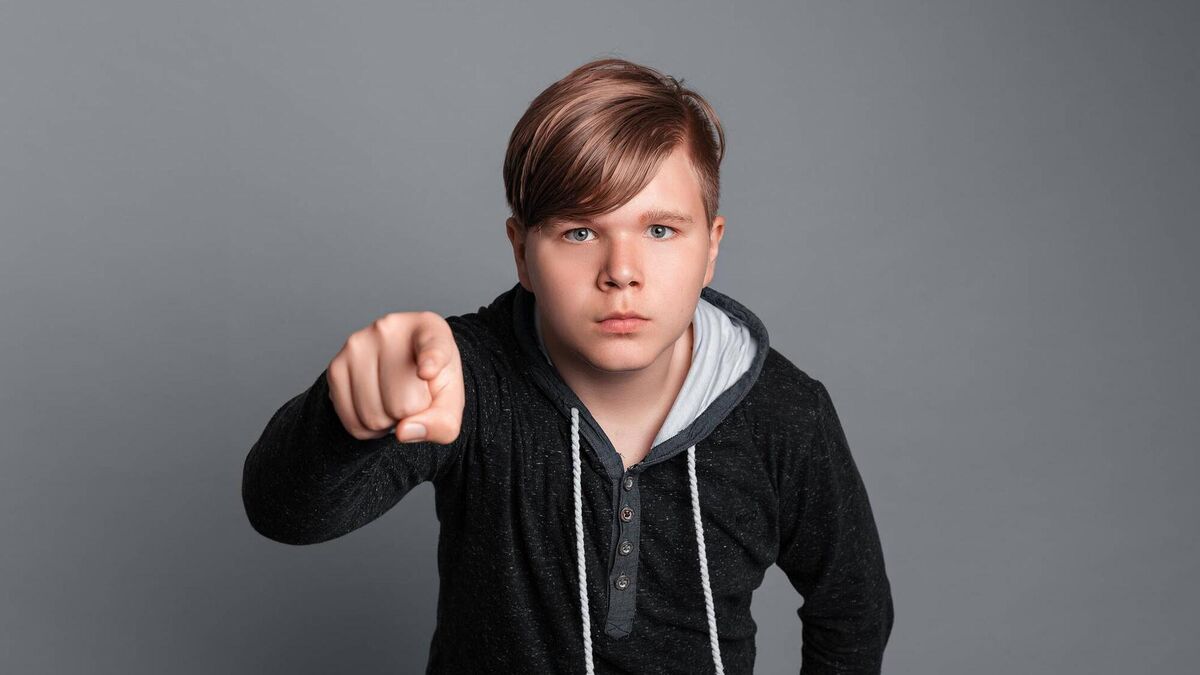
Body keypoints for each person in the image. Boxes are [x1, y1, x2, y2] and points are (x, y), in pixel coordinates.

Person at [242, 56, 894, 674]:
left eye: (660, 230)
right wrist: (346, 417)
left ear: (711, 248)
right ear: (522, 253)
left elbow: (854, 609)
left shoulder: (785, 411)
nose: (621, 272)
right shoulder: (460, 378)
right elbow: (284, 513)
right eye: (580, 232)